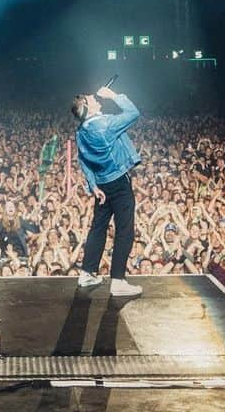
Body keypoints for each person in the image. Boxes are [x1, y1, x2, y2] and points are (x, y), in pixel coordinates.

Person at [71, 85, 142, 297]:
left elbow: (83, 161)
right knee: (124, 230)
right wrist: (113, 96)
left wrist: (93, 186)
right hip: (119, 182)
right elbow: (133, 113)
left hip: (101, 184)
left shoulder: (81, 132)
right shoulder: (106, 125)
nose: (96, 99)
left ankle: (87, 273)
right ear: (87, 108)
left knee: (98, 228)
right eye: (91, 99)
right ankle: (118, 280)